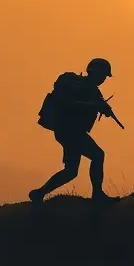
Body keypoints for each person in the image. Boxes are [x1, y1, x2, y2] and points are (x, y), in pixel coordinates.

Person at [29, 58, 122, 204]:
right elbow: (68, 104)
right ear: (96, 73)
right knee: (97, 155)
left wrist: (102, 108)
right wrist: (91, 105)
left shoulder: (92, 91)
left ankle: (39, 193)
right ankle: (97, 195)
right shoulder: (77, 86)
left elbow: (92, 104)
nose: (104, 79)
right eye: (103, 75)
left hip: (70, 132)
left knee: (71, 171)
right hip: (69, 131)